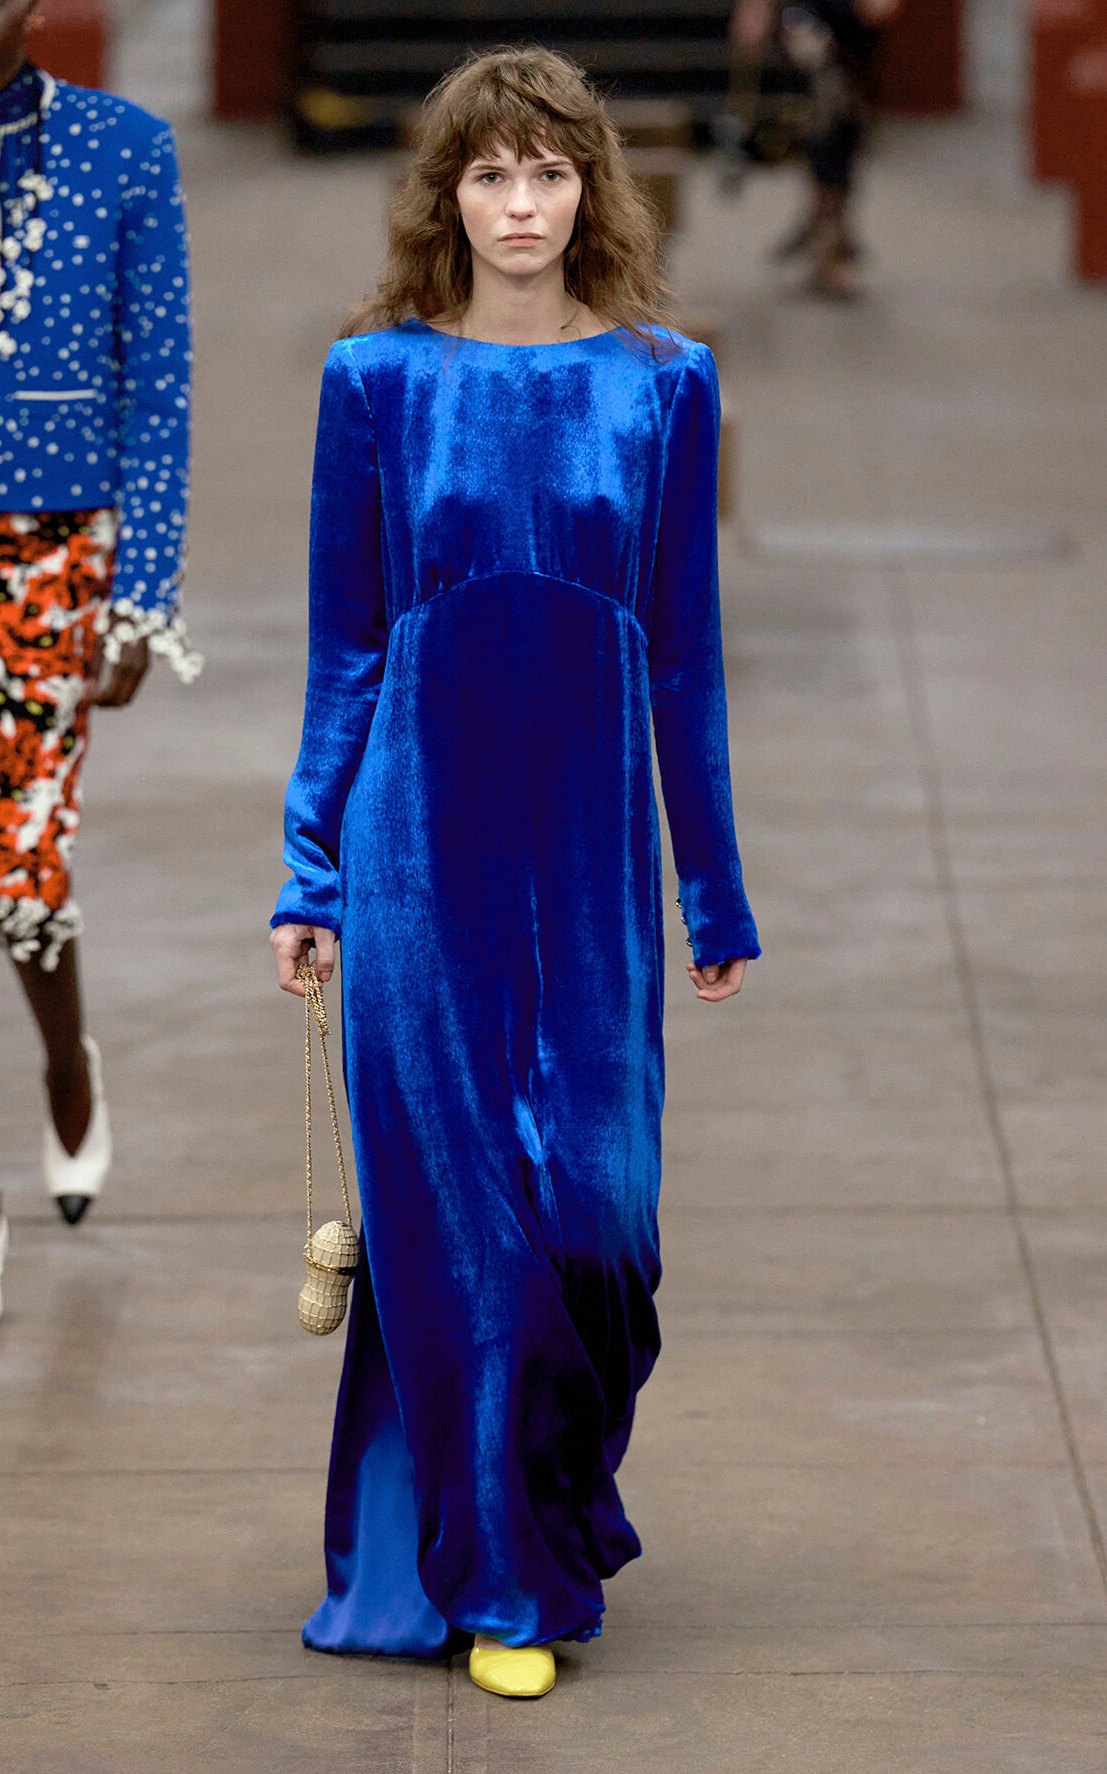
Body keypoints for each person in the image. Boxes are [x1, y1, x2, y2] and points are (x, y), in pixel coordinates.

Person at [270, 47, 759, 1700]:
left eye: (550, 173)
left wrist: (718, 892)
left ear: (591, 190)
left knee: (600, 1213)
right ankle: (507, 1582)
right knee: (468, 1216)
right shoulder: (375, 381)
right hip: (419, 846)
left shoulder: (663, 382)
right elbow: (345, 648)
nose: (523, 203)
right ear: (449, 197)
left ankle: (535, 1503)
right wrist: (309, 873)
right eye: (491, 175)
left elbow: (686, 662)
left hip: (596, 852)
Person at [0, 0, 196, 1332]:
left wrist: (139, 598)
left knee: (18, 866)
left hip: (48, 558)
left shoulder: (124, 152)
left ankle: (66, 1071)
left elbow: (161, 383)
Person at [730, 0, 905, 296]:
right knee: (824, 119)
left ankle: (827, 231)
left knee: (844, 127)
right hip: (807, 20)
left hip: (849, 30)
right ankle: (827, 238)